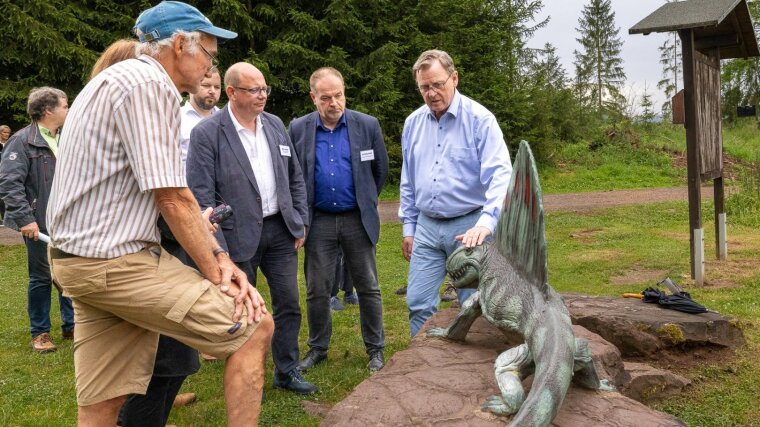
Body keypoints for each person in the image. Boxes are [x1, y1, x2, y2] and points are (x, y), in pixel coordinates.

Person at [45, 2, 273, 425]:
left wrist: (206, 242)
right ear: (181, 44)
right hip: (116, 263)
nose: (210, 67)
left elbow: (146, 189)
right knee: (255, 327)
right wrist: (221, 268)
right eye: (207, 53)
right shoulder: (149, 84)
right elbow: (171, 196)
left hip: (76, 262)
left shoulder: (110, 79)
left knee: (100, 405)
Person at [86, 38, 202, 427]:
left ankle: (152, 410)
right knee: (160, 362)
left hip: (156, 252)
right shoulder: (131, 110)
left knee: (169, 361)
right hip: (140, 257)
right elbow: (161, 197)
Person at [187, 61, 316, 394]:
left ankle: (286, 370)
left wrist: (299, 219)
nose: (262, 96)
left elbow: (295, 176)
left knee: (288, 303)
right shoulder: (207, 133)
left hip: (280, 230)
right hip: (236, 236)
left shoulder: (274, 125)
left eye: (264, 89)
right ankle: (246, 372)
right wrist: (219, 249)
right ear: (231, 92)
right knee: (242, 309)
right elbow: (202, 195)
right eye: (254, 90)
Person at [399, 49, 513, 337]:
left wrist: (486, 224)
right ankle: (421, 366)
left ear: (454, 78)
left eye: (438, 84)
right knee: (418, 301)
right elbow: (409, 180)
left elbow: (501, 175)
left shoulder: (480, 120)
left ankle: (469, 376)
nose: (431, 93)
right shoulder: (413, 124)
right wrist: (409, 226)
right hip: (426, 226)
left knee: (473, 304)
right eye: (424, 87)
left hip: (469, 226)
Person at [290, 67, 388, 373]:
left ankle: (375, 348)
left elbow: (379, 172)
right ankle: (318, 348)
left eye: (339, 95)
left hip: (357, 218)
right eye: (326, 98)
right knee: (318, 288)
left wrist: (364, 200)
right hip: (318, 221)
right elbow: (294, 175)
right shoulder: (298, 128)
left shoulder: (366, 125)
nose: (334, 103)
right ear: (313, 98)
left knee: (368, 286)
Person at [0, 87, 74, 353]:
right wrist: (25, 219)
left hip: (67, 221)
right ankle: (40, 332)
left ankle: (71, 325)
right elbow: (9, 184)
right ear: (48, 110)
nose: (68, 109)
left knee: (70, 273)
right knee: (42, 276)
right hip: (38, 223)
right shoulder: (21, 141)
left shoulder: (67, 138)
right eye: (65, 105)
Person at [179, 69, 221, 163]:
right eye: (206, 86)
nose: (212, 91)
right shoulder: (176, 118)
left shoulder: (226, 119)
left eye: (217, 87)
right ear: (190, 87)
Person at [0, 124, 11, 221]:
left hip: (8, 174)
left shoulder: (11, 144)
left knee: (6, 196)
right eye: (4, 132)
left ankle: (5, 218)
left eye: (8, 133)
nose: (7, 134)